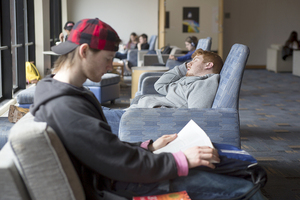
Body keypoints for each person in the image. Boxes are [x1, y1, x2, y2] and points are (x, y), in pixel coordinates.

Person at [30, 18, 266, 200]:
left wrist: (149, 146)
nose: (111, 65)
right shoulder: (66, 106)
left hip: (120, 175)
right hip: (118, 184)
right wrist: (180, 160)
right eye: (108, 58)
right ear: (83, 51)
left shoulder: (67, 91)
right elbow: (117, 163)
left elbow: (105, 148)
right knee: (244, 189)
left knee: (222, 175)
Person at [130, 49, 223, 109]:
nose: (189, 63)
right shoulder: (189, 79)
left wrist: (159, 108)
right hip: (144, 108)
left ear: (208, 65)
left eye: (196, 60)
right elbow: (159, 86)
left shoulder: (203, 85)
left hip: (151, 115)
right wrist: (183, 68)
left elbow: (196, 116)